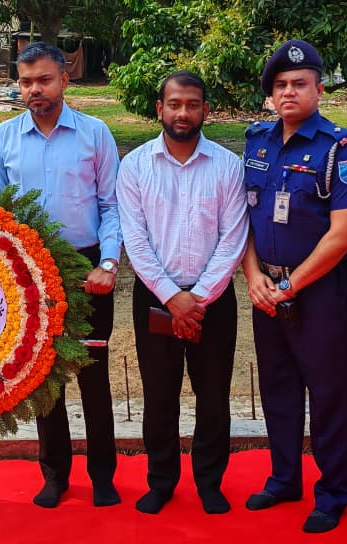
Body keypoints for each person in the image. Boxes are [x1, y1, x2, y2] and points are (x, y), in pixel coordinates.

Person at [0, 41, 122, 509]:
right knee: (42, 376)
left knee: (92, 373)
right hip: (28, 269)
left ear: (64, 79)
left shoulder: (95, 133)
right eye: (25, 82)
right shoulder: (4, 137)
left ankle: (103, 475)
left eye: (43, 80)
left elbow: (111, 205)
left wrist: (108, 263)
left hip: (86, 268)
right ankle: (55, 474)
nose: (34, 90)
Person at [241, 40, 347, 533]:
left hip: (319, 291)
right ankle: (284, 479)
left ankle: (333, 493)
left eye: (299, 83)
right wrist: (253, 276)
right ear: (270, 94)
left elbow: (343, 234)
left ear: (319, 89)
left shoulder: (340, 150)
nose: (289, 92)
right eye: (280, 85)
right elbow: (243, 220)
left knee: (328, 392)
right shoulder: (257, 142)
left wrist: (292, 284)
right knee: (278, 388)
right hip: (267, 288)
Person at [116, 71, 248, 515]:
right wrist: (173, 297)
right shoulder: (135, 166)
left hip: (214, 301)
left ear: (206, 110)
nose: (183, 113)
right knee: (159, 394)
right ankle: (161, 481)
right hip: (155, 297)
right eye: (174, 104)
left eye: (192, 105)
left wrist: (199, 297)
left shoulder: (228, 166)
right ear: (160, 109)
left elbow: (233, 238)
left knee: (213, 394)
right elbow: (135, 241)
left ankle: (210, 481)